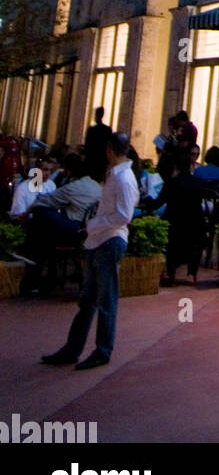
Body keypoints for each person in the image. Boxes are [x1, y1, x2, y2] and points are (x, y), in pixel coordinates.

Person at [41, 132, 138, 370]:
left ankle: (103, 350)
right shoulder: (114, 174)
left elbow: (125, 216)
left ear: (110, 148)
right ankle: (73, 348)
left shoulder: (124, 178)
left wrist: (93, 225)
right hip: (98, 241)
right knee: (88, 301)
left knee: (106, 300)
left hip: (110, 240)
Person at [18, 153, 102, 294]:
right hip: (89, 229)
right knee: (46, 238)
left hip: (76, 230)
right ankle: (46, 276)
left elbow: (43, 202)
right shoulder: (95, 185)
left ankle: (30, 255)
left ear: (68, 171)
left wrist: (25, 215)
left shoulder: (71, 188)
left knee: (41, 215)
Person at [154, 149, 207, 286]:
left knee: (170, 239)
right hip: (195, 224)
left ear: (175, 167)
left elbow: (158, 203)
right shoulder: (198, 183)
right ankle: (193, 272)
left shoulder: (171, 183)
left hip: (174, 223)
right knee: (196, 239)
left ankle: (171, 273)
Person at [83, 107, 112, 182]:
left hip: (92, 161)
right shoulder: (107, 130)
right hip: (102, 161)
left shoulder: (92, 130)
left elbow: (87, 146)